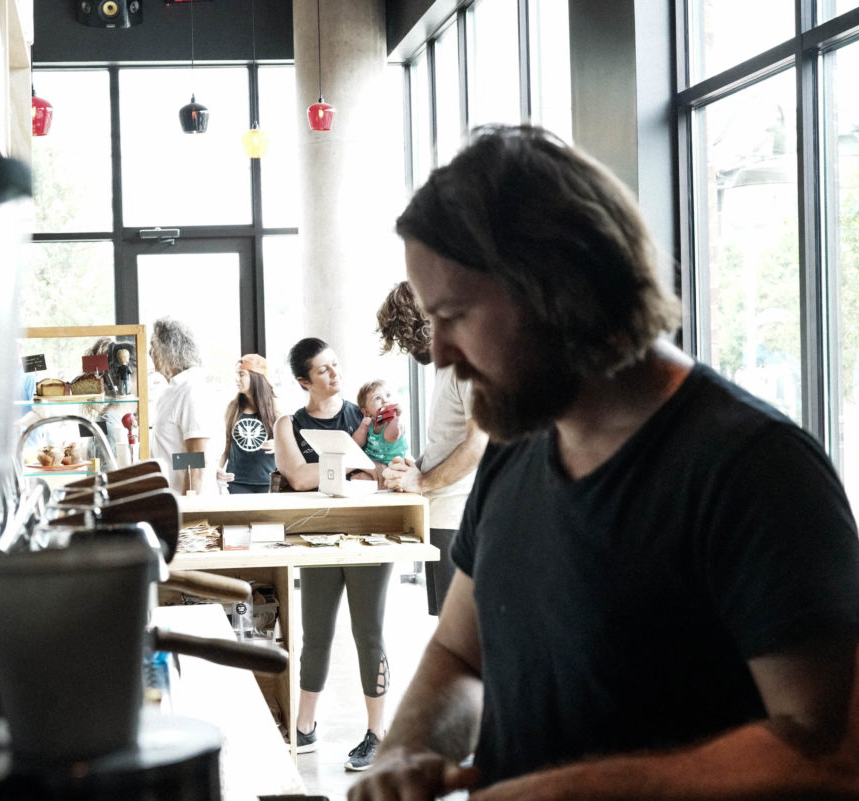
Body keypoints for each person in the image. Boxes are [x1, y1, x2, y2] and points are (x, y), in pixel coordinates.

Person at [348, 124, 859, 801]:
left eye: (456, 314)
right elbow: (459, 654)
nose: (438, 351)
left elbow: (828, 755)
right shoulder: (514, 448)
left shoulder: (754, 470)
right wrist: (405, 751)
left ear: (558, 290)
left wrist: (565, 791)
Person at [274, 337, 390, 772]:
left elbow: (380, 473)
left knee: (369, 634)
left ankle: (377, 734)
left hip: (369, 533)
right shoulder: (289, 423)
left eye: (336, 365)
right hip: (317, 536)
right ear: (304, 380)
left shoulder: (363, 416)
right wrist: (352, 464)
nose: (335, 374)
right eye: (323, 370)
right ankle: (304, 726)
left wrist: (349, 468)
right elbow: (298, 478)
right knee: (315, 634)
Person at [376, 280, 488, 616]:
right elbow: (449, 441)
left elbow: (478, 443)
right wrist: (416, 468)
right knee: (445, 623)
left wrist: (423, 482)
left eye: (405, 339)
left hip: (458, 515)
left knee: (460, 633)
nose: (407, 350)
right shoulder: (446, 367)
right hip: (441, 513)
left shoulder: (467, 364)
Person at [149, 317, 214, 494]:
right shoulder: (172, 390)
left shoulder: (191, 390)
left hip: (186, 507)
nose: (149, 353)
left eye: (153, 346)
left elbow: (197, 460)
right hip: (169, 501)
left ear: (167, 350)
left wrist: (188, 515)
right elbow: (179, 454)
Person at [216, 353, 278, 494]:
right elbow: (227, 446)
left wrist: (278, 443)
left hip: (268, 483)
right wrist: (217, 469)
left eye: (242, 374)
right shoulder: (233, 407)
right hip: (236, 482)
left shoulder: (274, 407)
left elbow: (292, 442)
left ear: (256, 376)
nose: (237, 379)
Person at [353, 380, 408, 466]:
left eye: (388, 395)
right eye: (377, 398)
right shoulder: (369, 423)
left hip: (394, 464)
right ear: (366, 412)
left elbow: (390, 437)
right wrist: (363, 427)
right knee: (357, 477)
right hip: (373, 464)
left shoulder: (396, 422)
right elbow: (356, 443)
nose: (385, 401)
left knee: (393, 476)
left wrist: (395, 417)